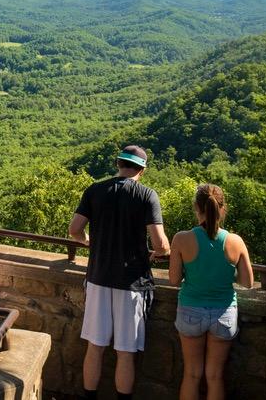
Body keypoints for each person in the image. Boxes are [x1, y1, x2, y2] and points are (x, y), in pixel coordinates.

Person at [68, 145, 170, 400]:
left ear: (118, 164)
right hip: (132, 282)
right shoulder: (147, 195)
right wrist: (161, 251)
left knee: (95, 346)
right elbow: (160, 244)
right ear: (142, 170)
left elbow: (74, 230)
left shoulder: (95, 190)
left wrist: (89, 240)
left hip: (98, 278)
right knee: (125, 352)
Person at [169, 183, 254, 400]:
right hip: (224, 313)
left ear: (196, 207)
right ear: (222, 208)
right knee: (215, 376)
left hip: (190, 309)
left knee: (191, 374)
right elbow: (247, 282)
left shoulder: (181, 239)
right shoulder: (235, 241)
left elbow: (174, 279)